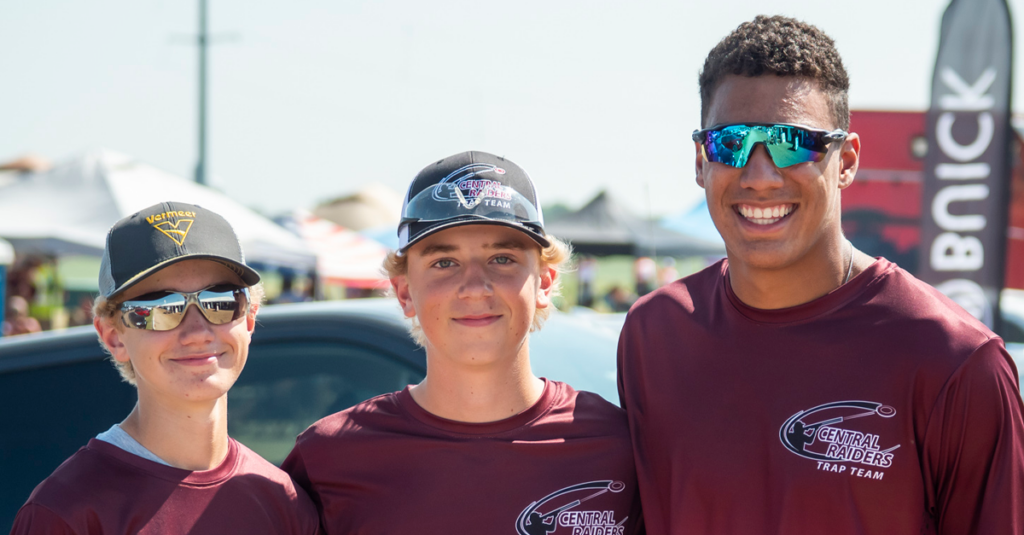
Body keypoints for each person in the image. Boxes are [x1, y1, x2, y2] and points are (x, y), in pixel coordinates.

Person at [617, 15, 1024, 535]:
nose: (760, 175)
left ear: (847, 161)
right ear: (701, 161)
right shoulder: (654, 336)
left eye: (792, 142)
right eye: (730, 143)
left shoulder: (956, 361)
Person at [284, 151, 643, 534]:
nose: (474, 287)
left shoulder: (622, 447)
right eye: (444, 263)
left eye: (502, 259)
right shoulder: (329, 459)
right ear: (404, 292)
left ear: (545, 282)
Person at [11, 202, 320, 535]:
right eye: (163, 307)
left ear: (249, 317)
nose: (198, 332)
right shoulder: (66, 513)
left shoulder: (284, 502)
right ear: (114, 336)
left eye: (221, 301)